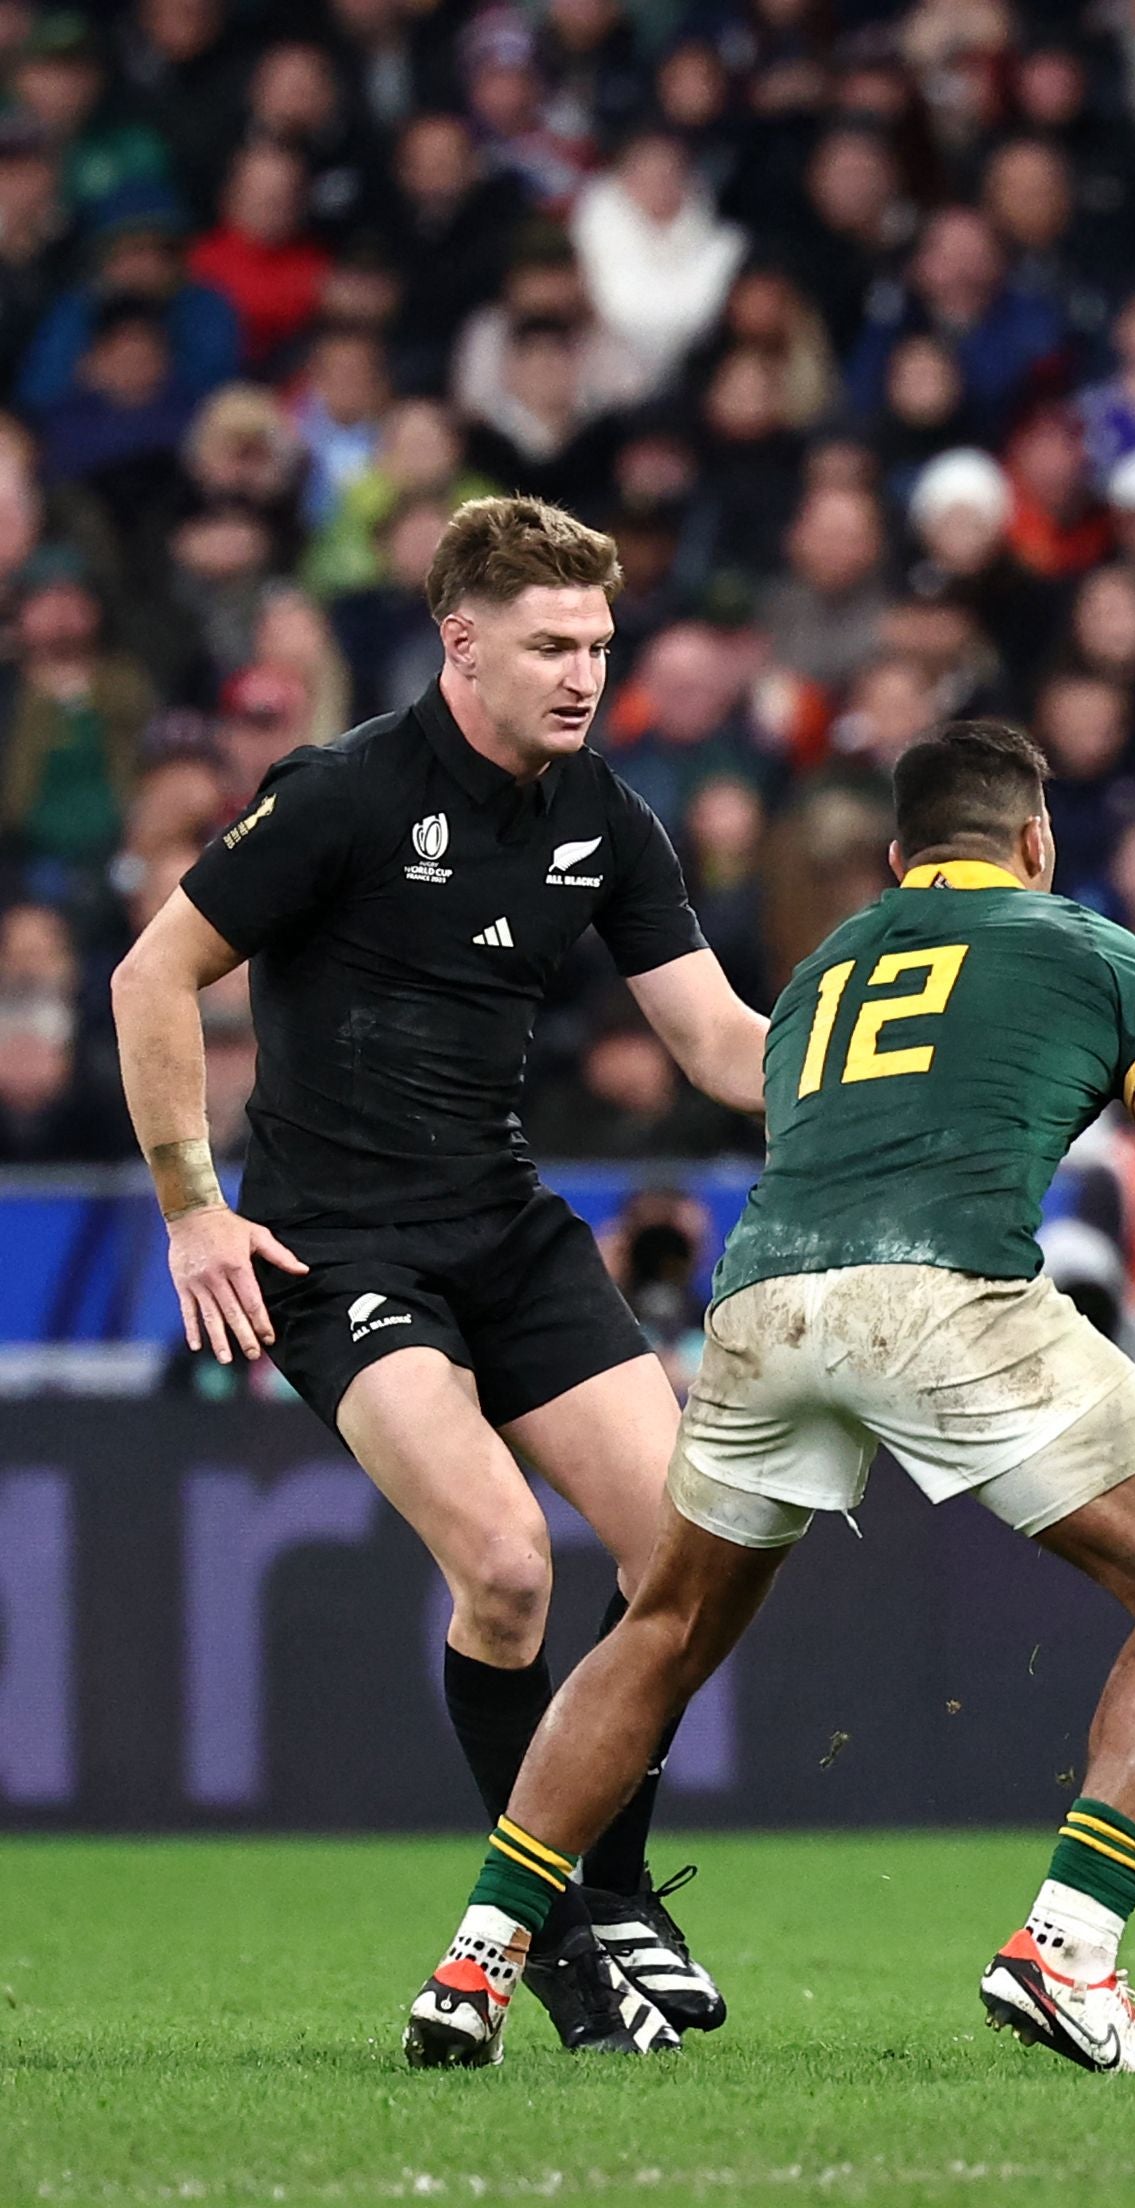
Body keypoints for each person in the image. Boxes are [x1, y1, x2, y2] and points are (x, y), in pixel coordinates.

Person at [400, 721, 1135, 2077]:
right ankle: (1069, 1942)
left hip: (763, 1300)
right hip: (941, 1291)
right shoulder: (1100, 952)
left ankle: (478, 1955)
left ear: (899, 859)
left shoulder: (826, 967)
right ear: (1037, 843)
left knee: (663, 1624)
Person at [113, 496, 768, 2052]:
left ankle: (603, 1886)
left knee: (695, 1548)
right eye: (551, 644)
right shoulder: (342, 792)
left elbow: (721, 1042)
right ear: (459, 641)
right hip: (337, 1246)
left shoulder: (605, 812)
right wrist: (190, 1207)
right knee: (505, 1564)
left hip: (504, 1222)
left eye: (600, 644)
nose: (582, 673)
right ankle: (546, 1941)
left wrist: (892, 1070)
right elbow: (156, 971)